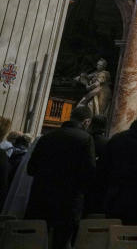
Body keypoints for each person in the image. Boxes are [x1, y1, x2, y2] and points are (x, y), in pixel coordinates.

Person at [25, 105, 97, 249]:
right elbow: (89, 174)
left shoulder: (46, 137)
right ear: (87, 122)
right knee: (61, 243)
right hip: (68, 203)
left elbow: (31, 169)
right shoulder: (85, 139)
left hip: (41, 199)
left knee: (35, 243)